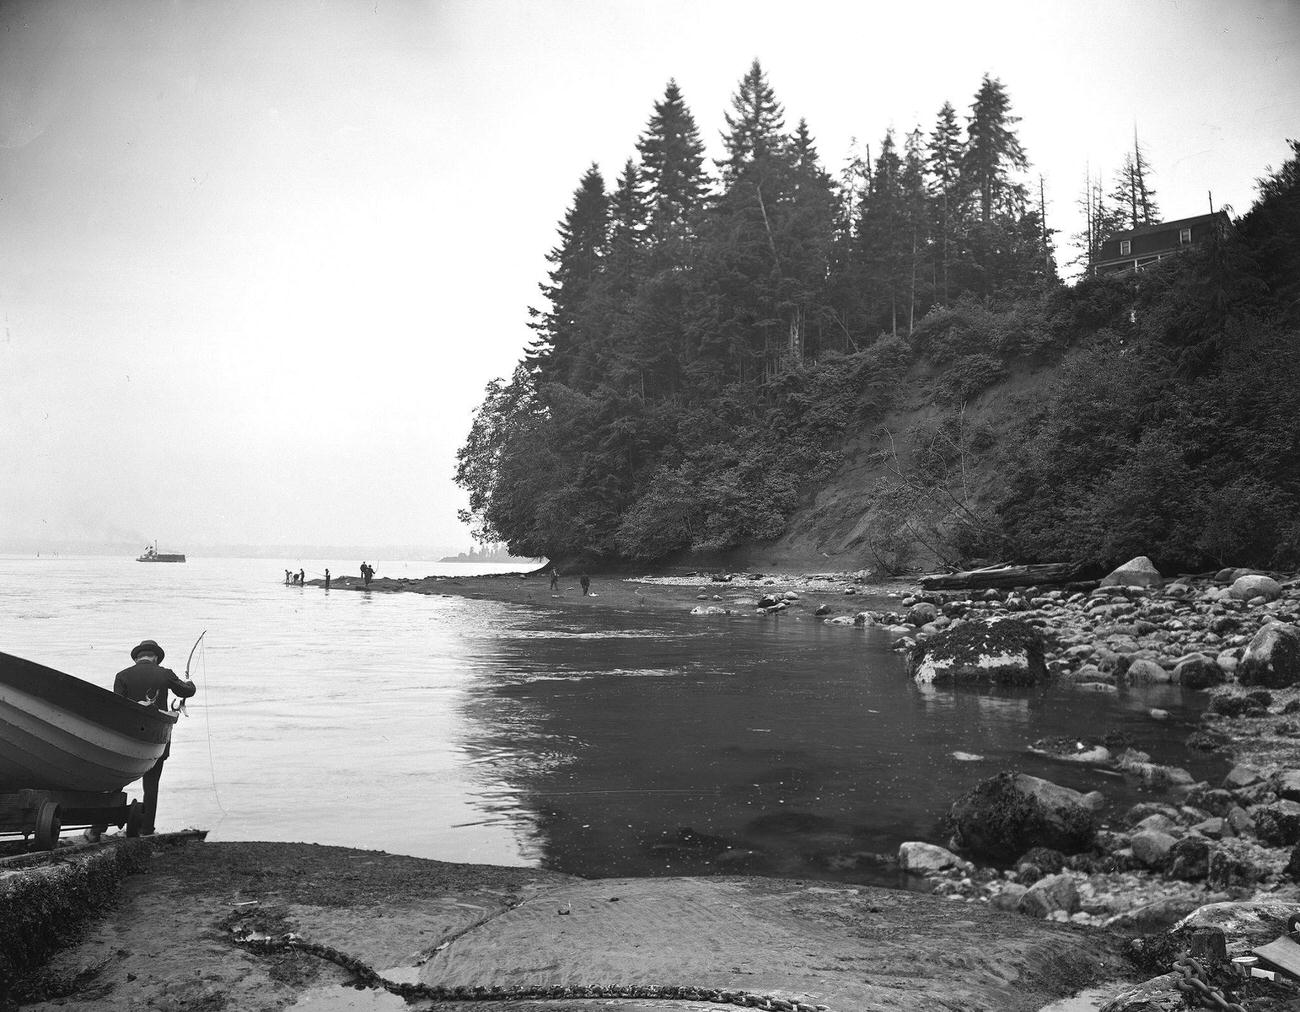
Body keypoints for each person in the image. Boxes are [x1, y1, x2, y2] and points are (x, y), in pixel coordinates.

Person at [114, 639, 196, 836]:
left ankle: (99, 826)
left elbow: (116, 707)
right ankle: (147, 828)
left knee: (115, 780)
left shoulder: (122, 675)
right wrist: (189, 682)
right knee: (151, 784)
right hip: (156, 740)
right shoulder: (164, 673)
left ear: (137, 658)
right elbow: (187, 691)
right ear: (156, 657)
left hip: (127, 740)